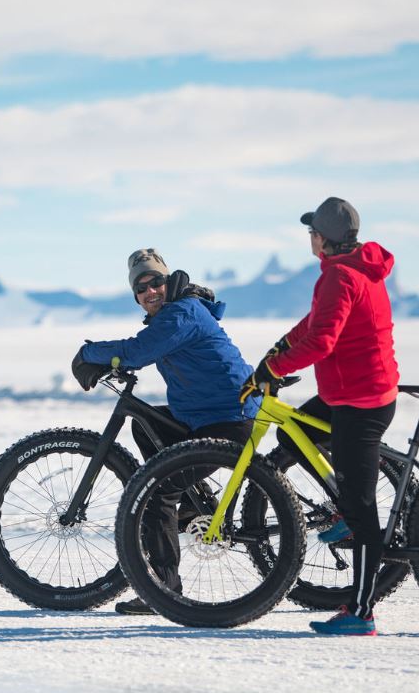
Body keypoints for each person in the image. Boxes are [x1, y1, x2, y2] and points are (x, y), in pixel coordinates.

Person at [72, 248, 259, 615]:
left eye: (155, 281)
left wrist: (89, 353)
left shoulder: (182, 312)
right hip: (202, 417)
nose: (150, 291)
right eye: (141, 288)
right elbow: (144, 346)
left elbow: (141, 351)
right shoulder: (175, 312)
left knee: (156, 489)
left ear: (167, 280)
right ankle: (191, 506)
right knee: (147, 423)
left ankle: (163, 590)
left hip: (227, 420)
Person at [247, 197, 399, 636]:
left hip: (361, 402)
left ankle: (362, 612)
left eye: (312, 231)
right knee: (294, 437)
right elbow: (313, 324)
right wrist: (275, 352)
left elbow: (321, 343)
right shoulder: (352, 269)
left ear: (324, 238)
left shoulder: (340, 275)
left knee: (364, 512)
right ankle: (345, 511)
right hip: (347, 393)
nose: (308, 237)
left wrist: (275, 369)